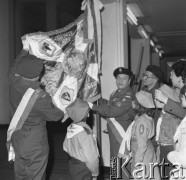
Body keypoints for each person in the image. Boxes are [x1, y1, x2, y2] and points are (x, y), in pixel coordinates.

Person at [9, 53, 64, 180]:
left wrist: (24, 49)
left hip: (16, 135)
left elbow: (14, 66)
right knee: (35, 175)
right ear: (38, 75)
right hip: (34, 142)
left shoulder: (13, 80)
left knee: (21, 172)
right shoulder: (39, 96)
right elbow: (56, 116)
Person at [88, 67, 135, 179]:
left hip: (122, 134)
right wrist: (97, 99)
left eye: (124, 78)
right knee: (114, 159)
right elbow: (109, 105)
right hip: (114, 134)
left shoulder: (129, 95)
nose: (120, 81)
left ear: (129, 81)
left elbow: (112, 111)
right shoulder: (116, 93)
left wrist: (92, 106)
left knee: (123, 161)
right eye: (118, 78)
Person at [63, 98, 99, 180]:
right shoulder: (85, 133)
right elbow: (91, 158)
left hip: (72, 164)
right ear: (87, 115)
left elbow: (65, 147)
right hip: (84, 167)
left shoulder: (70, 128)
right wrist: (95, 173)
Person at [131, 90, 160, 180]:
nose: (132, 102)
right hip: (148, 150)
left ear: (139, 105)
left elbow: (141, 143)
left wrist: (137, 161)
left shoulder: (141, 121)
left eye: (134, 101)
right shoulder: (146, 117)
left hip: (142, 154)